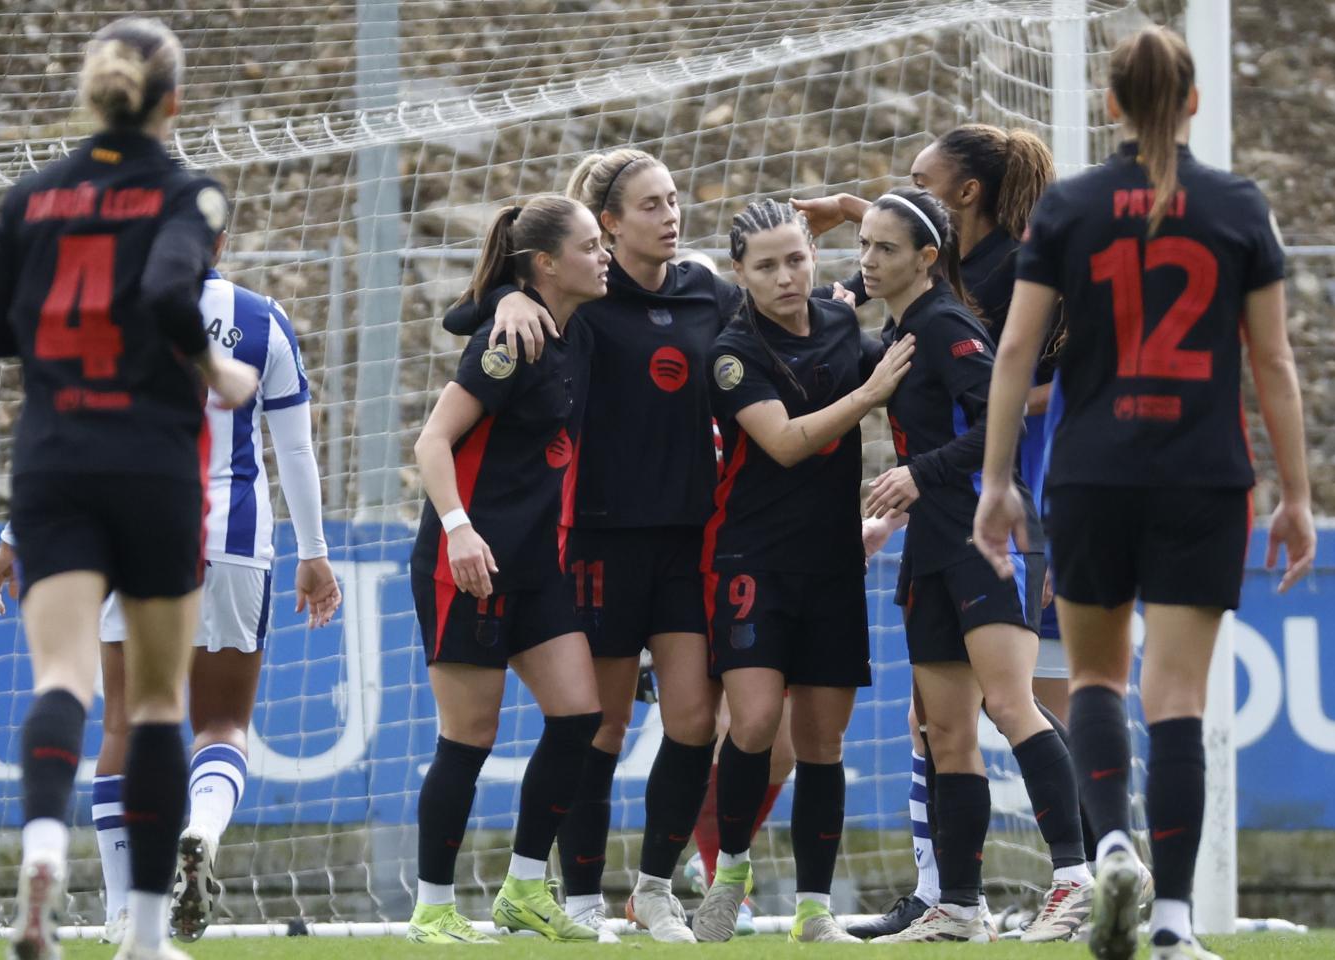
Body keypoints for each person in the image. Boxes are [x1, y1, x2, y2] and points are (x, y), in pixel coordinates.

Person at [973, 26, 1315, 960]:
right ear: (1194, 100)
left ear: (1111, 105)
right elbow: (1273, 362)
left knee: (1092, 678)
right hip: (1204, 475)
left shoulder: (1071, 208)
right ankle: (1170, 925)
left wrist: (998, 481)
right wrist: (1297, 494)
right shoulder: (1241, 206)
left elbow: (1012, 351)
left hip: (1090, 470)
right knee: (1176, 697)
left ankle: (1111, 844)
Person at [0, 17, 259, 960]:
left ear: (92, 92)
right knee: (163, 704)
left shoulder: (33, 196)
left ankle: (44, 842)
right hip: (152, 462)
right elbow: (174, 293)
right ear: (172, 101)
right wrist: (218, 373)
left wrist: (58, 339)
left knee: (63, 681)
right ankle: (140, 934)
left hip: (52, 460)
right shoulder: (186, 192)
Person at [0, 229, 343, 945]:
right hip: (234, 536)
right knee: (222, 725)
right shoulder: (261, 316)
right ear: (224, 238)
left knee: (123, 722)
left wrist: (16, 534)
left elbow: (61, 429)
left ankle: (122, 907)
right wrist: (315, 552)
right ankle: (201, 830)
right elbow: (294, 445)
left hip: (136, 530)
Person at [795, 125, 1097, 940]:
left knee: (1011, 703)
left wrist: (921, 474)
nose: (865, 259)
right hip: (930, 541)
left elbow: (1000, 409)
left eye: (882, 247)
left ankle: (1078, 879)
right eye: (862, 245)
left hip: (985, 534)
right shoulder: (901, 333)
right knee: (943, 730)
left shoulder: (949, 327)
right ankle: (957, 905)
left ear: (926, 257)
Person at [442, 149, 743, 942]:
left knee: (691, 720)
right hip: (600, 539)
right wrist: (506, 296)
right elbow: (472, 315)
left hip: (687, 536)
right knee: (600, 725)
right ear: (608, 223)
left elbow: (780, 319)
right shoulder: (585, 297)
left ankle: (653, 890)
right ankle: (578, 896)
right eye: (651, 204)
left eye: (675, 199)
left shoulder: (708, 289)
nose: (670, 215)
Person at [690, 198, 914, 944]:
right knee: (753, 722)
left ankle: (815, 910)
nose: (785, 276)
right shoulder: (732, 352)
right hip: (751, 557)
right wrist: (870, 393)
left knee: (822, 744)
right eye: (766, 266)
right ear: (739, 274)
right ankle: (729, 875)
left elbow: (904, 253)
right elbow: (784, 443)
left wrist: (854, 209)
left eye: (795, 259)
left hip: (831, 562)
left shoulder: (844, 321)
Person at [405, 196, 609, 944]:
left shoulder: (572, 330)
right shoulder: (507, 342)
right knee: (469, 735)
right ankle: (431, 907)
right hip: (470, 563)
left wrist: (511, 294)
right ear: (548, 263)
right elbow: (432, 443)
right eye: (591, 246)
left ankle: (525, 889)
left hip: (535, 565)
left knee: (579, 716)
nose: (605, 257)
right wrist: (458, 531)